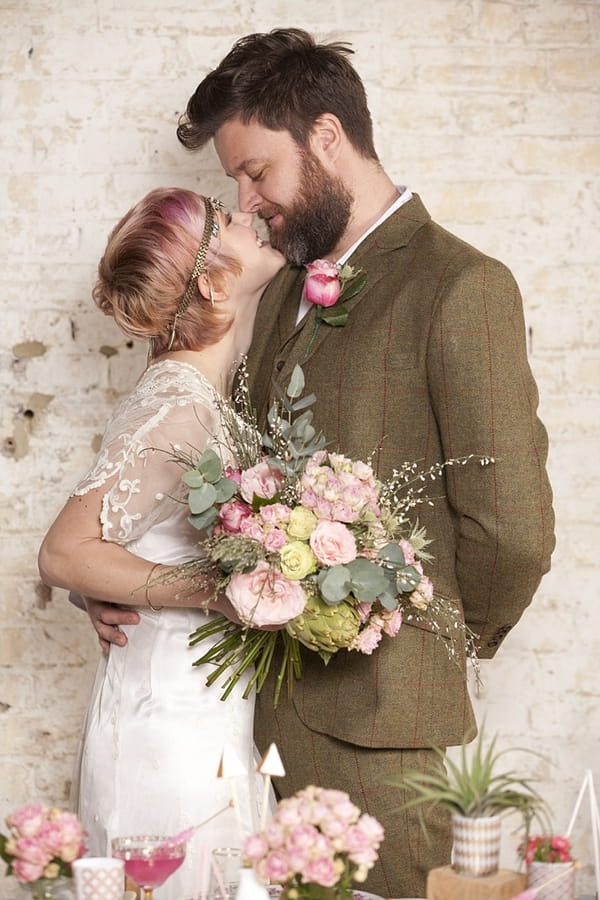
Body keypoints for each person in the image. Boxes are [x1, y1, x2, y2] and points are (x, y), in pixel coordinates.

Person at [84, 28, 555, 897]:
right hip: (249, 725)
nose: (246, 199)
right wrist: (123, 577)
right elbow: (215, 481)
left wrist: (430, 638)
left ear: (328, 137)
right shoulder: (281, 285)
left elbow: (514, 530)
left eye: (256, 171)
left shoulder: (462, 287)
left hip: (384, 734)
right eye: (235, 180)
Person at [38, 186, 285, 900]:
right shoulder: (180, 404)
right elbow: (64, 553)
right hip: (170, 733)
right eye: (225, 219)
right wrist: (222, 590)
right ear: (211, 281)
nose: (248, 214)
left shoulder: (199, 396)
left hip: (201, 710)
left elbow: (114, 546)